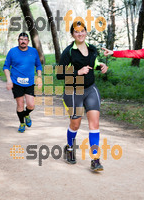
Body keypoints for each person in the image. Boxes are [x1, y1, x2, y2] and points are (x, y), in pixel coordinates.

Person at [57, 21, 108, 171]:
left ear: (86, 32)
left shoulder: (92, 49)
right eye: (76, 31)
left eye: (82, 31)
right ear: (72, 34)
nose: (80, 34)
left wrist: (101, 66)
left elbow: (94, 63)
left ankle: (95, 159)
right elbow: (59, 74)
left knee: (95, 124)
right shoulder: (69, 52)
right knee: (75, 124)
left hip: (91, 89)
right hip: (73, 91)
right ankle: (70, 148)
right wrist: (77, 72)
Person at [3, 32, 42, 133]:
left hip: (29, 83)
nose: (23, 41)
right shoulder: (12, 52)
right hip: (16, 83)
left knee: (31, 105)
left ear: (28, 41)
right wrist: (8, 80)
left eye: (25, 39)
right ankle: (22, 123)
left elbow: (38, 65)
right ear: (18, 41)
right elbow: (6, 67)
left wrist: (39, 77)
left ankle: (26, 114)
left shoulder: (33, 51)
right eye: (21, 39)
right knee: (20, 105)